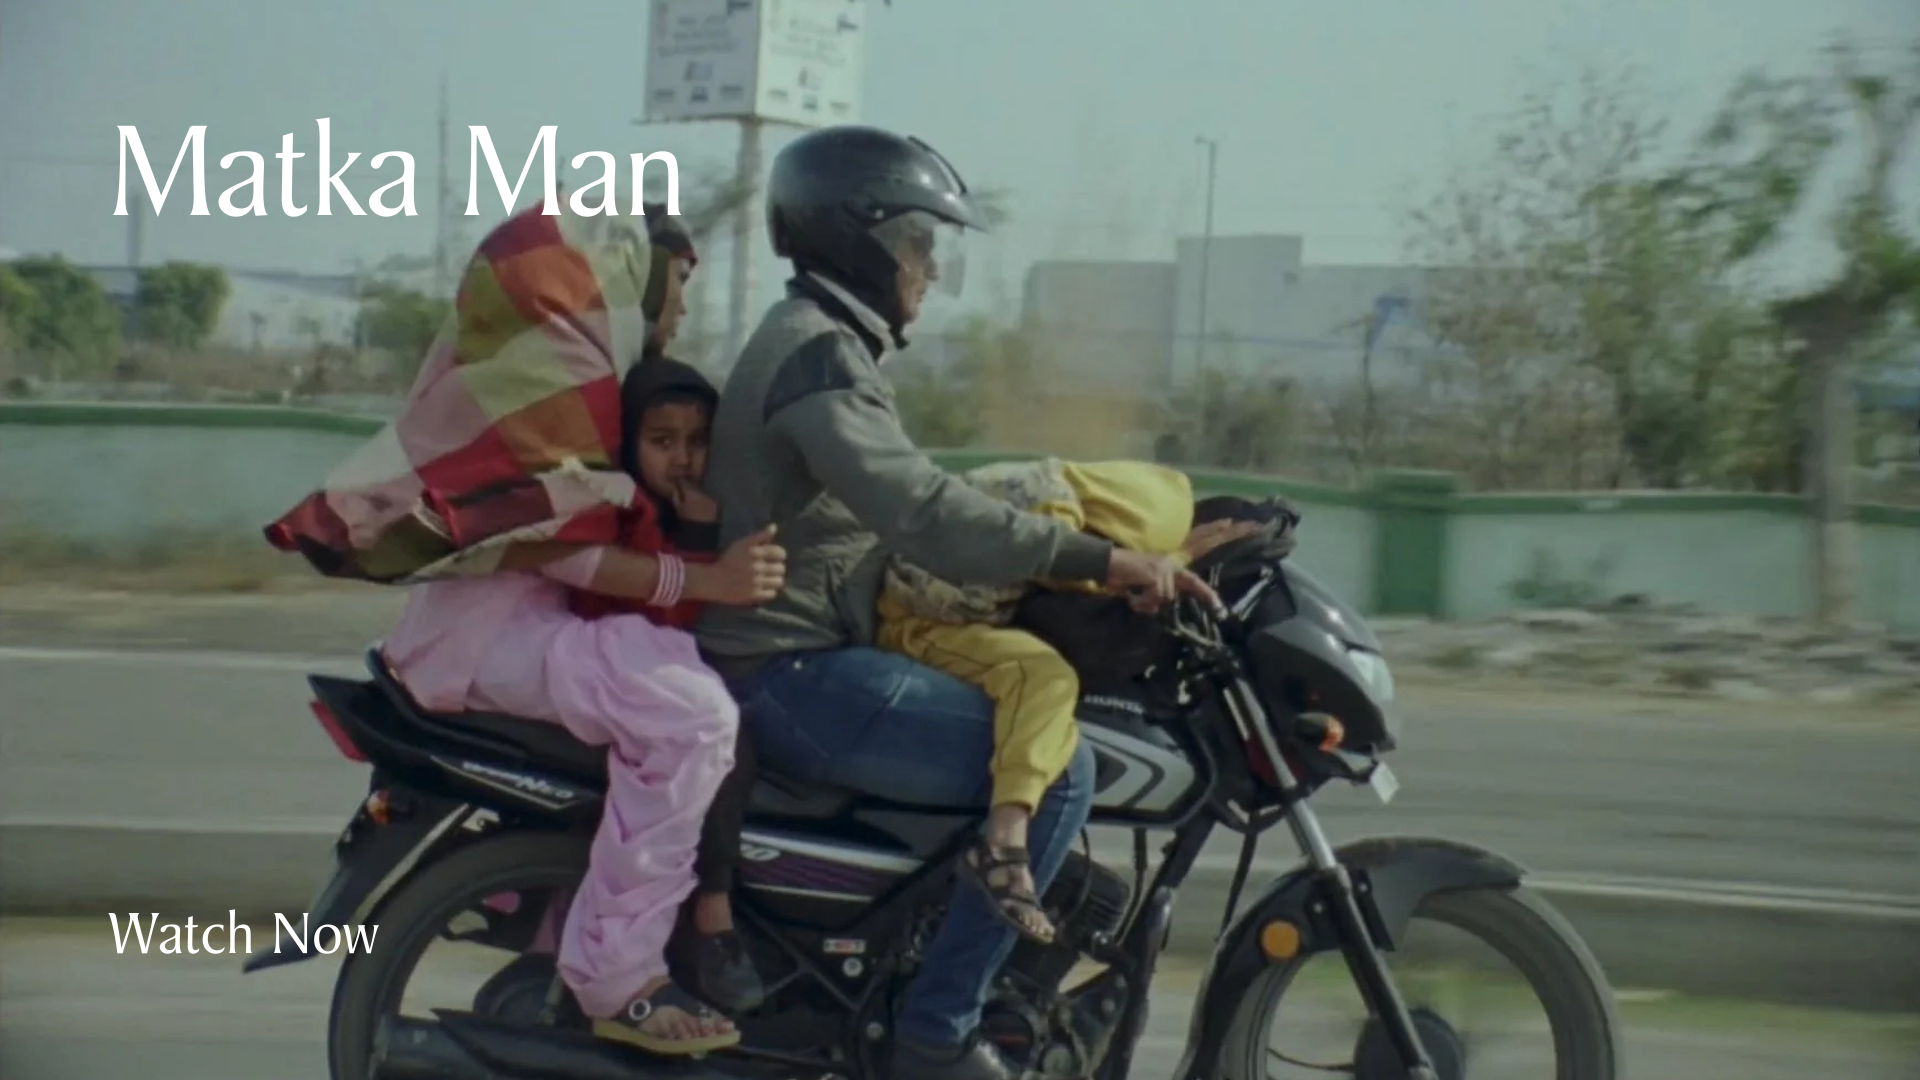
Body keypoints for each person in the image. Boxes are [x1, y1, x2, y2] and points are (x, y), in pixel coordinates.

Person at [693, 124, 1221, 1080]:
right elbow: (923, 511)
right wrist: (1099, 559)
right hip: (790, 673)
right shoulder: (817, 358)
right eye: (916, 243)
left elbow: (915, 503)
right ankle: (938, 1032)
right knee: (1060, 773)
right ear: (857, 239)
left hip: (805, 658)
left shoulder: (824, 347)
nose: (929, 269)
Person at [265, 200, 785, 1056]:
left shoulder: (584, 383)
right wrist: (710, 580)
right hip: (493, 638)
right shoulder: (561, 391)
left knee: (669, 694)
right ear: (627, 285)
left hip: (496, 632)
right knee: (693, 721)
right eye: (676, 288)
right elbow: (565, 553)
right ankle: (620, 977)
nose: (683, 311)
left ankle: (572, 946)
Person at [873, 458, 1255, 942]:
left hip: (969, 614)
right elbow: (1069, 560)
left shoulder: (1058, 488)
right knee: (1043, 677)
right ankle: (1004, 840)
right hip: (921, 624)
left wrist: (1168, 555)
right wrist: (1162, 563)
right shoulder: (1042, 507)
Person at [568, 350, 768, 1015]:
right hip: (614, 677)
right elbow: (660, 614)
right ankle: (712, 912)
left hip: (643, 671)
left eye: (696, 441)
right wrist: (702, 540)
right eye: (661, 442)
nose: (681, 459)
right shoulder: (623, 510)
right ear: (629, 443)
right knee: (729, 741)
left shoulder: (675, 508)